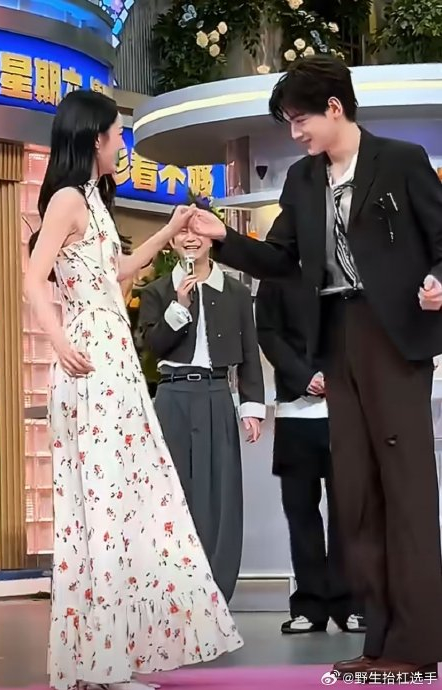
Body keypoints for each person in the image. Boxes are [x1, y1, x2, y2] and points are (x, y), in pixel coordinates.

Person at [191, 55, 442, 682]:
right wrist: (223, 238)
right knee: (356, 496)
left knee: (406, 491)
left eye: (300, 118)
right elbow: (281, 260)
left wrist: (438, 280)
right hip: (336, 339)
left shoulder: (402, 161)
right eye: (288, 121)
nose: (295, 131)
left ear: (334, 108)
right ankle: (379, 640)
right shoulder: (303, 180)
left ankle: (418, 641)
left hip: (394, 339)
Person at [24, 90, 242, 690]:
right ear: (94, 138)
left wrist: (168, 229)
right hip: (90, 362)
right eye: (116, 133)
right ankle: (103, 663)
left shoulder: (92, 199)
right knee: (103, 508)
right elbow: (34, 277)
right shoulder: (68, 199)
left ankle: (100, 660)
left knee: (119, 506)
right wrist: (57, 340)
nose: (121, 142)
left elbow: (117, 270)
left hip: (112, 360)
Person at [138, 206, 265, 602]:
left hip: (216, 395)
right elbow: (152, 347)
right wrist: (178, 306)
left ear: (212, 238)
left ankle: (216, 592)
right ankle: (174, 588)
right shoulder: (157, 291)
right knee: (173, 493)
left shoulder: (236, 292)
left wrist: (252, 407)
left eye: (198, 231)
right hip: (172, 396)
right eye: (182, 232)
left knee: (221, 495)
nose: (190, 238)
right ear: (172, 240)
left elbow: (249, 352)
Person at [256, 275, 364, 634]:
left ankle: (352, 603)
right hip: (294, 412)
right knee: (300, 511)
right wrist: (305, 377)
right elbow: (268, 332)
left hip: (348, 411)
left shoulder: (347, 265)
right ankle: (310, 605)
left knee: (348, 513)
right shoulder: (277, 272)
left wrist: (338, 375)